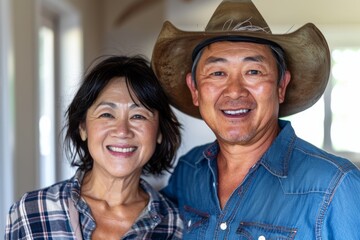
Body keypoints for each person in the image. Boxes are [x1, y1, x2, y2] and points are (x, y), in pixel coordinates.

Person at [151, 0, 360, 239]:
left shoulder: (335, 185)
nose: (235, 91)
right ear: (195, 89)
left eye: (253, 72)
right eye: (218, 73)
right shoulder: (189, 171)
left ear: (281, 85)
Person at [5, 55, 183, 239]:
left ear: (160, 131)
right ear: (83, 127)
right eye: (107, 114)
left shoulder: (175, 225)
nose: (122, 131)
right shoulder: (32, 213)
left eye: (138, 116)